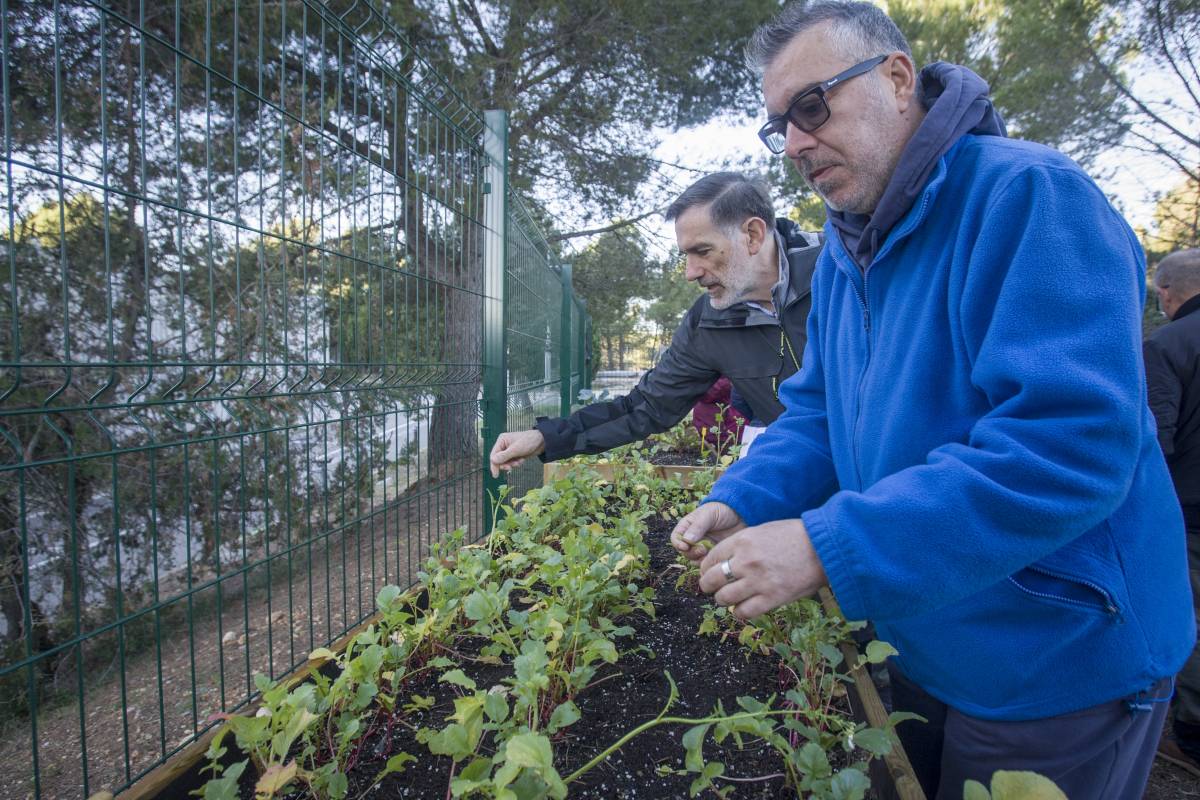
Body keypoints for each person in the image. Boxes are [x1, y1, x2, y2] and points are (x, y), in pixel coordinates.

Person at [670, 3, 1194, 798]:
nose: (795, 143)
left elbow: (1068, 448)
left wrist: (823, 546)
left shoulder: (1030, 197)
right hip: (928, 631)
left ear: (898, 77)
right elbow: (817, 411)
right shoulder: (851, 245)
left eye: (812, 106)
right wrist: (744, 496)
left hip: (1057, 659)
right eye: (777, 125)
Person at [488, 172, 822, 477]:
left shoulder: (844, 271)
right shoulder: (707, 323)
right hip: (810, 479)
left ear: (752, 235)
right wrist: (543, 437)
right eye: (685, 256)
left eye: (702, 251)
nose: (690, 272)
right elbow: (646, 406)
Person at [1144, 248, 1200, 775]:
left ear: (1165, 291)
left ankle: (1186, 735)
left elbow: (1155, 441)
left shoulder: (1167, 344)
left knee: (1188, 615)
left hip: (1190, 509)